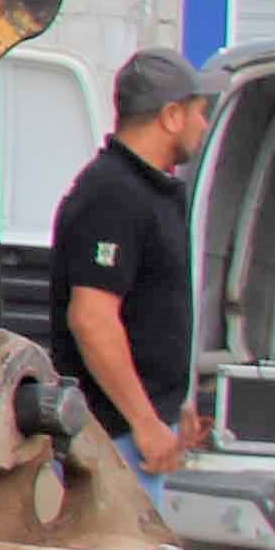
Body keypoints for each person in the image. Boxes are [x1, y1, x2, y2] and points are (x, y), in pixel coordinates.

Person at [51, 47, 212, 467]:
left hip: (143, 432)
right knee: (116, 538)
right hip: (113, 440)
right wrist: (144, 422)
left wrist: (174, 406)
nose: (205, 125)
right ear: (171, 116)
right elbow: (92, 317)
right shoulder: (113, 195)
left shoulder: (153, 193)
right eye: (200, 112)